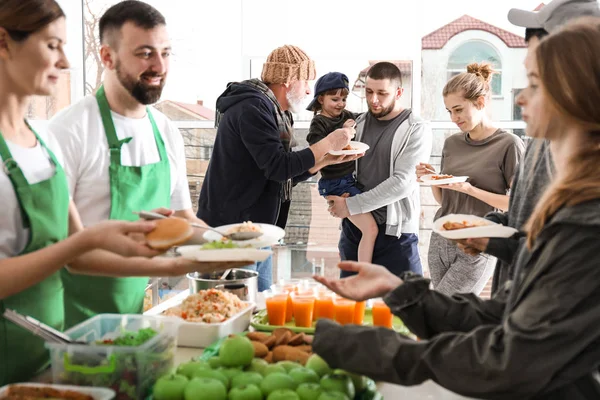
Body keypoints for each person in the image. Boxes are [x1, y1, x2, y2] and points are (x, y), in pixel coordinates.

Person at [313, 17, 600, 398]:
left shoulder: (585, 226)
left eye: (534, 84)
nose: (519, 98)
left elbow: (505, 360)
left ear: (575, 95)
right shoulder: (570, 205)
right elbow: (506, 318)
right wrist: (401, 291)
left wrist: (362, 349)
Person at [0, 0, 230, 385]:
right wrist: (94, 241)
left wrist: (211, 250)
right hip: (35, 345)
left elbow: (84, 249)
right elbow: (77, 249)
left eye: (165, 53)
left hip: (63, 347)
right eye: (52, 45)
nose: (65, 61)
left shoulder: (40, 141)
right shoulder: (66, 131)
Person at [47, 1, 237, 328]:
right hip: (72, 325)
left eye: (165, 52)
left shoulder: (165, 132)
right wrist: (175, 266)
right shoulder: (69, 131)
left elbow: (182, 219)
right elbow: (71, 255)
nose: (159, 65)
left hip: (135, 316)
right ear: (107, 57)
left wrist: (229, 245)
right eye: (145, 53)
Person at [458, 0, 600, 294]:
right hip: (514, 295)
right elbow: (522, 212)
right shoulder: (540, 133)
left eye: (535, 39)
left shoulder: (579, 152)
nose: (522, 96)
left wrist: (493, 239)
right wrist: (487, 227)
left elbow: (559, 254)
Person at [196, 45, 358, 291]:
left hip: (257, 231)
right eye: (306, 82)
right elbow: (278, 167)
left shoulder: (277, 112)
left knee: (258, 307)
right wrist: (328, 143)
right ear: (289, 80)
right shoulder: (252, 109)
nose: (307, 90)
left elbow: (280, 171)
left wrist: (323, 161)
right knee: (233, 310)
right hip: (233, 232)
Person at [415, 63, 524, 295]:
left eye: (459, 109)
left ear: (480, 103)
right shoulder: (451, 143)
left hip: (476, 241)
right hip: (440, 237)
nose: (454, 117)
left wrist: (470, 190)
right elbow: (443, 199)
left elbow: (516, 203)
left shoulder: (509, 144)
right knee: (447, 317)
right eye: (449, 111)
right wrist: (433, 178)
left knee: (442, 311)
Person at [327, 62, 432, 277]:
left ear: (399, 92)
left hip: (397, 235)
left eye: (382, 93)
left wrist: (350, 205)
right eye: (369, 92)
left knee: (406, 308)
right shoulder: (357, 124)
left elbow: (403, 182)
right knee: (353, 307)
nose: (373, 100)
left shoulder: (416, 128)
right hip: (355, 231)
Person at [306, 72, 377, 263]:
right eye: (335, 99)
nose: (340, 104)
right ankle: (365, 271)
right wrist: (343, 132)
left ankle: (349, 258)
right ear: (321, 99)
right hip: (334, 183)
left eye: (344, 99)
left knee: (356, 225)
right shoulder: (319, 122)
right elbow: (317, 148)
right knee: (370, 229)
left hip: (348, 179)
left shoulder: (345, 115)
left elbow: (363, 118)